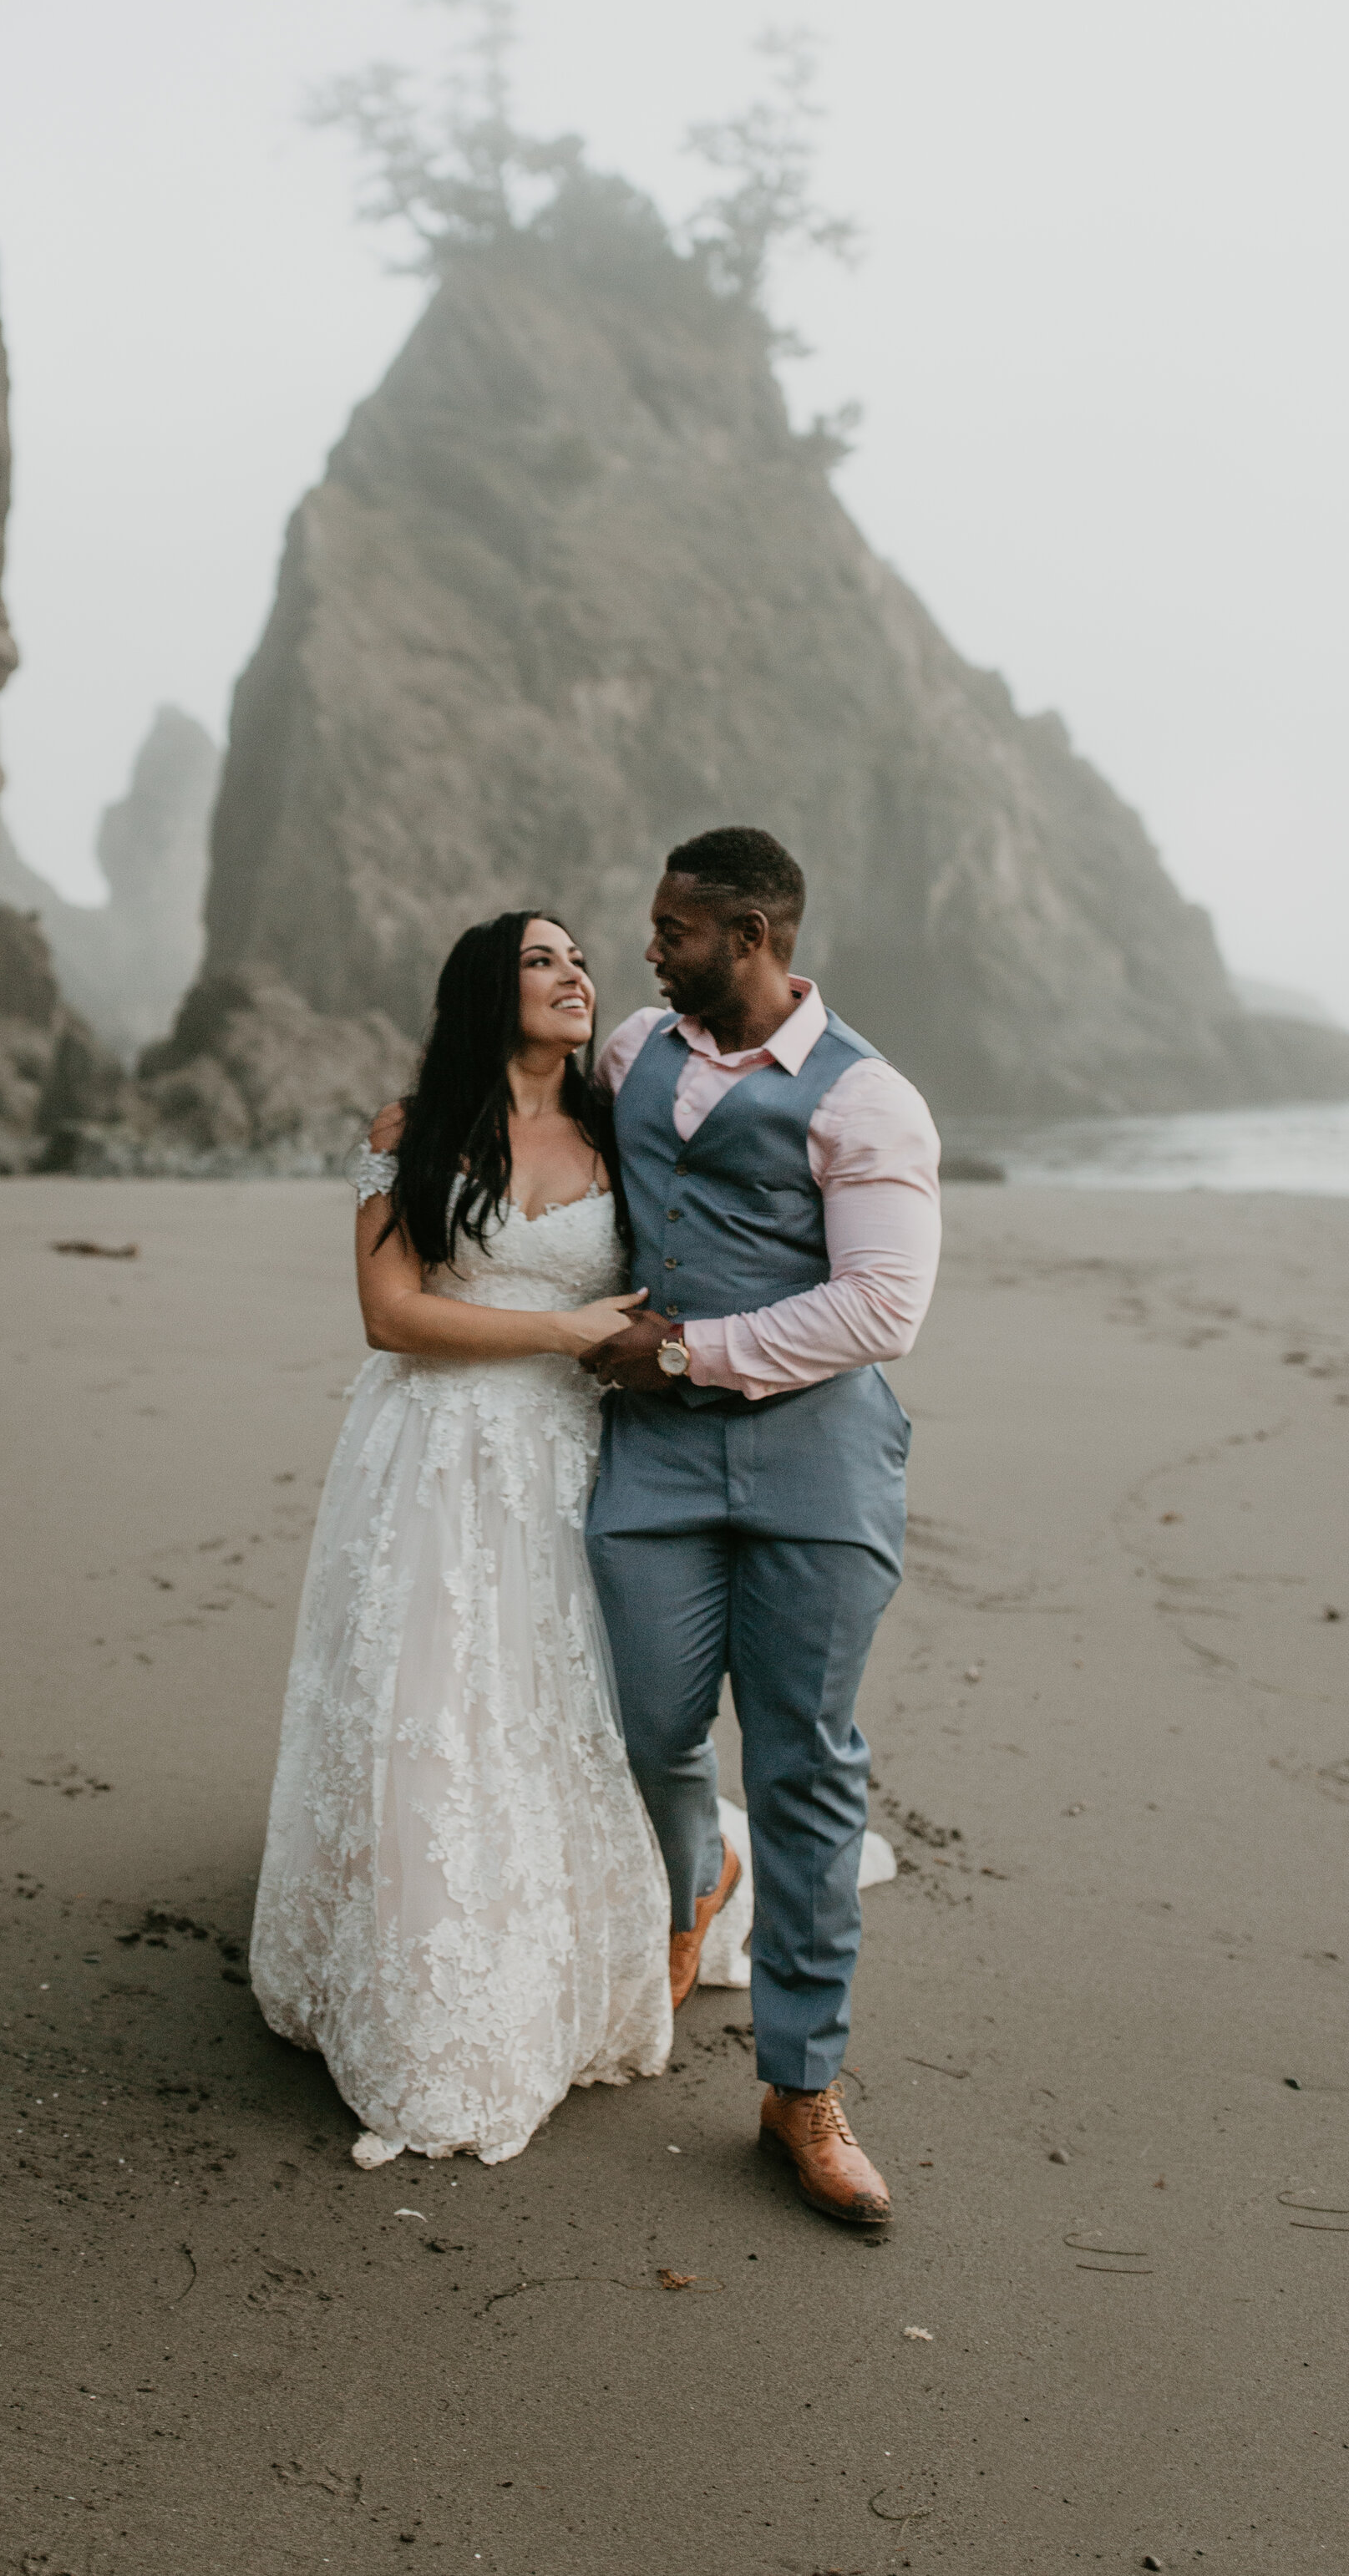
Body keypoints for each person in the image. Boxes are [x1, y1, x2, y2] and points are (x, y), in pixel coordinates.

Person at [249, 911, 676, 2167]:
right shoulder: (412, 1129)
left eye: (580, 959)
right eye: (543, 959)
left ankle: (553, 1953)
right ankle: (416, 1981)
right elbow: (391, 1314)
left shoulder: (614, 1135)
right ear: (490, 989)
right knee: (428, 1698)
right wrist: (561, 1333)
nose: (574, 976)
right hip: (432, 1449)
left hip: (565, 1457)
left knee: (546, 1703)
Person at [581, 826, 941, 2229]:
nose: (650, 947)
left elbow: (880, 1311)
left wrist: (684, 1353)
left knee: (804, 1768)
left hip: (815, 1473)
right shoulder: (632, 1049)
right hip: (655, 1470)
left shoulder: (873, 1103)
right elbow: (536, 1127)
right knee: (651, 1722)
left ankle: (802, 2087)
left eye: (673, 928)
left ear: (749, 933)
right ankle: (696, 1870)